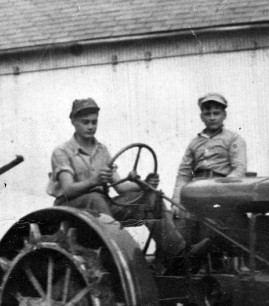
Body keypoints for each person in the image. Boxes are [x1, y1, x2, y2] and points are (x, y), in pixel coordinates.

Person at [49, 97, 186, 267]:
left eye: (94, 122)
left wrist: (143, 183)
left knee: (151, 197)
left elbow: (120, 187)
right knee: (95, 197)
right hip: (72, 209)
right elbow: (68, 189)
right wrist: (95, 181)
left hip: (100, 208)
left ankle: (178, 254)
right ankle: (125, 260)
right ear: (73, 121)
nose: (91, 126)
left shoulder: (102, 150)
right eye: (85, 122)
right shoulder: (62, 152)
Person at [172, 92, 247, 245]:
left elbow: (238, 169)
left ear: (224, 115)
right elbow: (184, 174)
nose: (212, 117)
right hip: (196, 190)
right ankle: (182, 260)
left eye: (216, 113)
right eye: (207, 114)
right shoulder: (194, 143)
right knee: (178, 221)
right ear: (201, 117)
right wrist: (176, 200)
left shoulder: (233, 139)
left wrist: (219, 190)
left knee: (224, 227)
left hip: (221, 191)